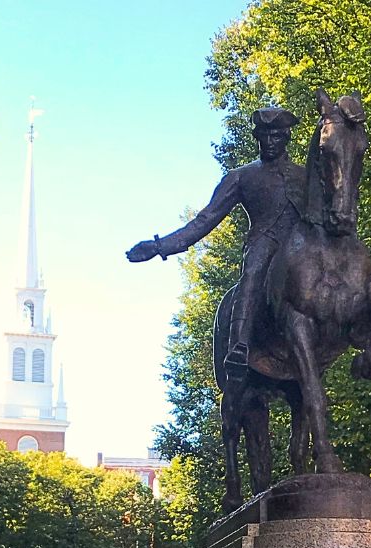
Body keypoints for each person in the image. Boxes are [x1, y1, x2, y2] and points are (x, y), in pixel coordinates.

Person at [126, 107, 306, 380]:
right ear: (257, 138)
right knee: (253, 273)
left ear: (286, 138)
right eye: (264, 137)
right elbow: (204, 220)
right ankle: (239, 345)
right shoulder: (242, 177)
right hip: (265, 241)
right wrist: (159, 246)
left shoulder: (305, 177)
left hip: (301, 247)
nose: (269, 143)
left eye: (276, 136)